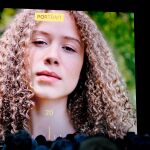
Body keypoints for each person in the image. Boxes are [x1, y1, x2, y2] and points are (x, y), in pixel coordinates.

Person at [0, 9, 136, 141]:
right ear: (15, 52)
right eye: (40, 42)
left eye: (69, 48)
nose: (52, 56)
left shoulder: (114, 144)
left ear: (87, 64)